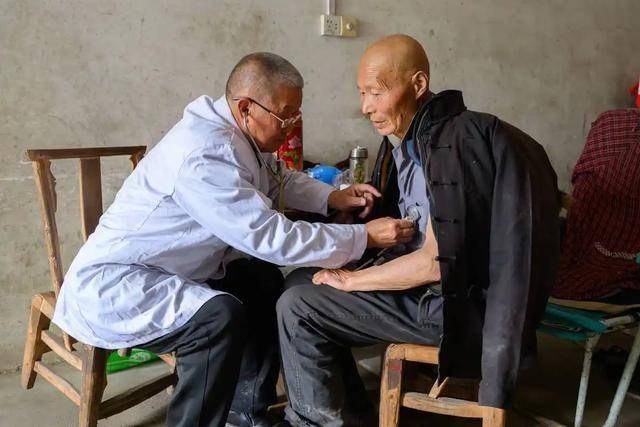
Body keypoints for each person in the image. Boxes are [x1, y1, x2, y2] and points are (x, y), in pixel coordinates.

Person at [51, 52, 415, 427]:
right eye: (285, 116)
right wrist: (363, 236)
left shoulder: (238, 135)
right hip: (121, 282)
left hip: (173, 268)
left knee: (261, 280)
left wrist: (332, 197)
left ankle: (246, 415)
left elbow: (277, 179)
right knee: (217, 319)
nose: (291, 127)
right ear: (246, 108)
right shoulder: (205, 154)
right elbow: (271, 237)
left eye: (296, 115)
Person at [277, 34, 560, 426]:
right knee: (300, 281)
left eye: (376, 92)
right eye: (362, 93)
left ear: (419, 84)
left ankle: (315, 422)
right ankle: (351, 417)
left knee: (298, 306)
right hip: (430, 293)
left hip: (453, 309)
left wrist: (352, 281)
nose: (366, 107)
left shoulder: (451, 145)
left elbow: (434, 264)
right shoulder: (411, 145)